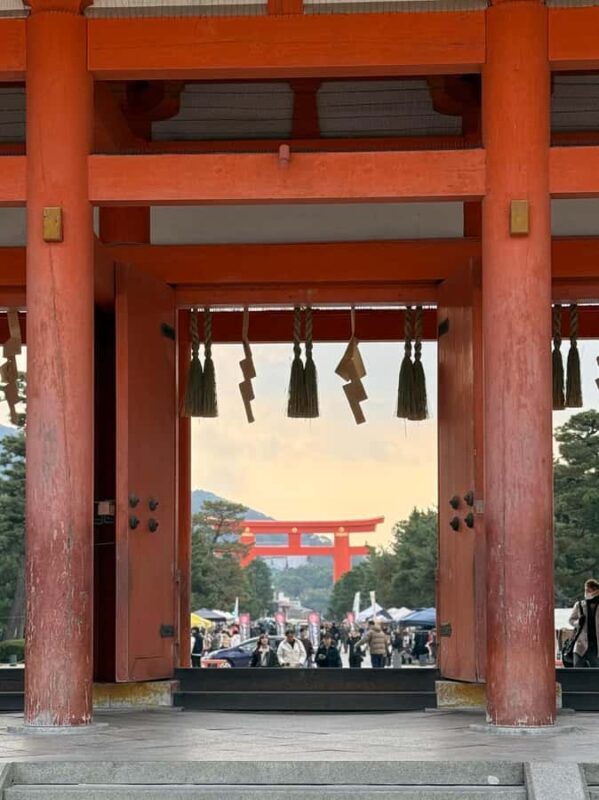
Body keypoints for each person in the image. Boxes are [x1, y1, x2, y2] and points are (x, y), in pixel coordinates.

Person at [569, 578, 599, 667]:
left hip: (595, 646)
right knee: (577, 672)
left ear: (596, 591)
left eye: (589, 590)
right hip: (580, 645)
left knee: (596, 673)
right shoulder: (579, 605)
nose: (586, 593)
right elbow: (571, 620)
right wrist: (578, 622)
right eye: (585, 590)